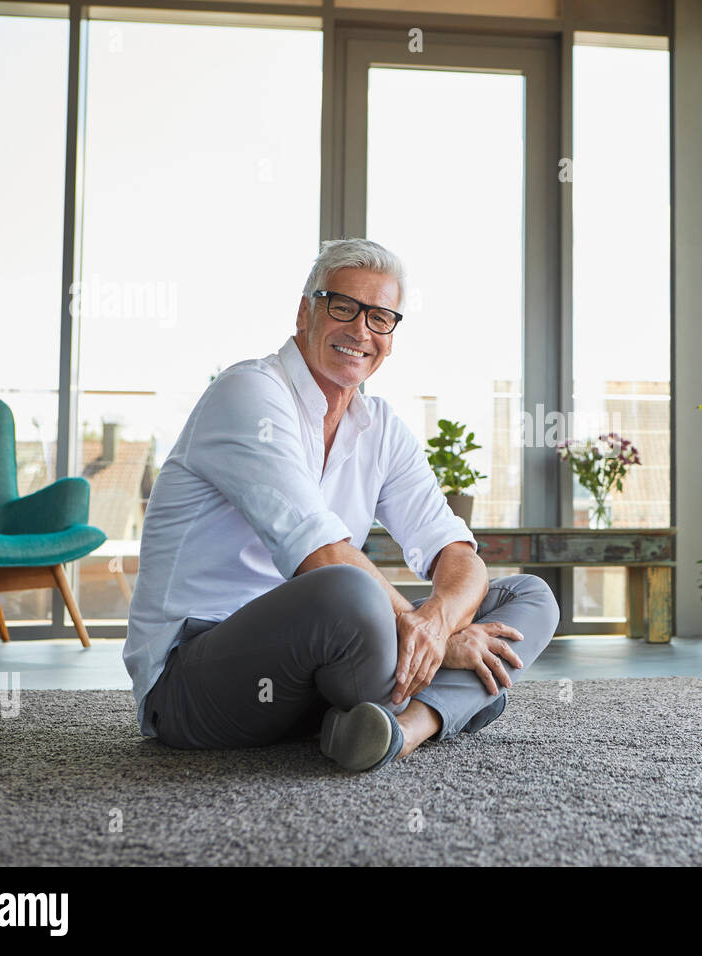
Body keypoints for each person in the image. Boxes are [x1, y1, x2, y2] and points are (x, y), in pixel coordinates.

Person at [122, 238, 560, 772]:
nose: (360, 331)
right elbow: (320, 556)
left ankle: (399, 730)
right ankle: (447, 702)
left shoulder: (381, 428)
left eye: (380, 318)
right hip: (196, 683)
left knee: (528, 594)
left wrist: (438, 624)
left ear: (392, 337)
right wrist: (438, 645)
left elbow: (455, 550)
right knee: (347, 590)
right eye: (343, 307)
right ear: (306, 311)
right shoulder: (249, 394)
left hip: (323, 676)